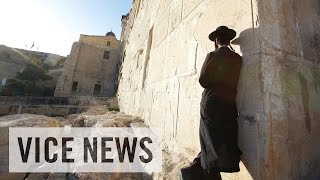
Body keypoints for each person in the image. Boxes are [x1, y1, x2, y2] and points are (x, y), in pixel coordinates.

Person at [180, 26, 242, 180]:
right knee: (220, 139)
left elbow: (203, 80)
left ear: (216, 41)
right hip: (228, 104)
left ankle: (199, 173)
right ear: (229, 41)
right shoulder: (238, 58)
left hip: (211, 103)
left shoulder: (212, 55)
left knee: (208, 140)